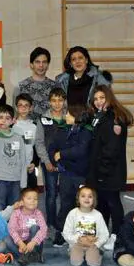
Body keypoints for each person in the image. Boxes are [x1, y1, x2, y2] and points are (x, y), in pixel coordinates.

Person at [87, 85, 134, 251]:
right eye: (96, 99)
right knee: (103, 203)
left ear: (109, 97)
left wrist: (102, 170)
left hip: (109, 170)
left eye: (102, 98)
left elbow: (111, 149)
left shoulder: (115, 118)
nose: (99, 101)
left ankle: (117, 235)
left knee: (113, 202)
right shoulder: (101, 116)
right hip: (101, 169)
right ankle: (105, 233)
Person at [49, 104, 93, 248]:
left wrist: (62, 154)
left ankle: (82, 235)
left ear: (76, 116)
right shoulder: (62, 130)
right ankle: (61, 233)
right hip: (66, 175)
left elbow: (81, 150)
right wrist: (55, 158)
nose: (65, 116)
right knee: (65, 204)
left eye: (68, 113)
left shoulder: (86, 132)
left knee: (82, 205)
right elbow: (53, 147)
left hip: (81, 175)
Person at [34, 87, 67, 238]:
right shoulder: (42, 119)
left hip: (68, 161)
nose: (57, 103)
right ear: (49, 102)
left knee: (67, 193)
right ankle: (51, 224)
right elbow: (39, 143)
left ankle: (65, 223)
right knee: (51, 193)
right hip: (48, 162)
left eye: (60, 100)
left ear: (64, 101)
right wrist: (46, 161)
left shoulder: (69, 118)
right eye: (54, 100)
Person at [0, 104, 27, 210]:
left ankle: (12, 227)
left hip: (15, 179)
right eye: (0, 117)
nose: (3, 121)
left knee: (15, 207)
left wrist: (23, 180)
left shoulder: (18, 138)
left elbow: (23, 159)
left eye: (7, 118)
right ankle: (0, 227)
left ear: (13, 120)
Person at [62, 186, 109, 266]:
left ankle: (98, 253)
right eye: (83, 196)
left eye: (90, 196)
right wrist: (78, 239)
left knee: (93, 264)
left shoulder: (98, 215)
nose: (86, 199)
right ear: (78, 199)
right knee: (76, 263)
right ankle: (75, 252)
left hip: (93, 244)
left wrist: (97, 244)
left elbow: (105, 234)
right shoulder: (72, 213)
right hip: (77, 243)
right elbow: (66, 233)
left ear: (94, 199)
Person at [7, 188, 47, 266]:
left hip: (33, 243)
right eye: (29, 198)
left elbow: (44, 229)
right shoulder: (16, 213)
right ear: (22, 202)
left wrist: (33, 242)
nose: (33, 201)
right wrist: (20, 243)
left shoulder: (38, 213)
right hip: (21, 243)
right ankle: (31, 256)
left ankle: (27, 256)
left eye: (35, 199)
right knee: (6, 239)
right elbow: (12, 229)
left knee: (35, 227)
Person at [16, 47, 57, 117]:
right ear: (31, 65)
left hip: (49, 126)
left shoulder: (55, 86)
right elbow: (15, 113)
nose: (41, 65)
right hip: (26, 127)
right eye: (37, 62)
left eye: (44, 62)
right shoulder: (20, 87)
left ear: (48, 65)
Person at [12, 93, 39, 189]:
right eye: (20, 105)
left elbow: (36, 147)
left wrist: (34, 163)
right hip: (13, 168)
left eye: (26, 105)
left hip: (29, 167)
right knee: (14, 198)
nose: (23, 108)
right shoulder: (11, 125)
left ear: (31, 108)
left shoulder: (34, 126)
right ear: (16, 107)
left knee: (30, 197)